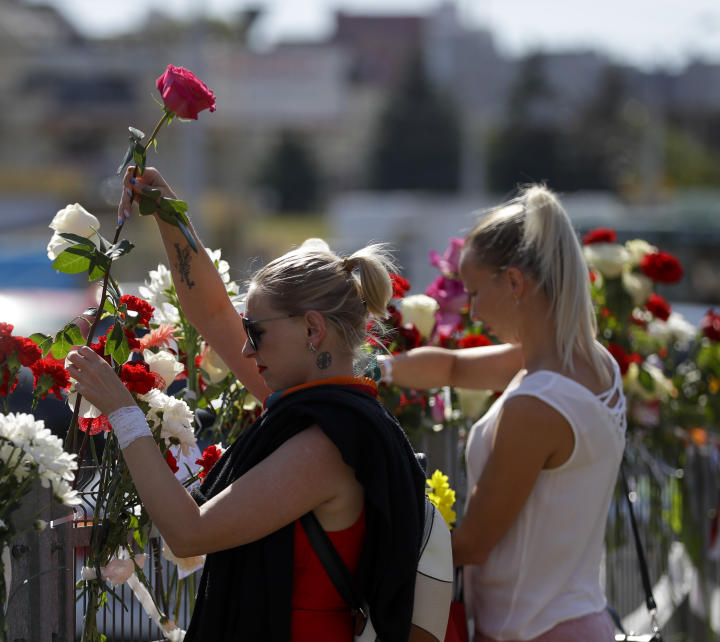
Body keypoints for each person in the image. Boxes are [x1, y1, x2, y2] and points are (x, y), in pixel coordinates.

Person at [66, 167, 428, 641]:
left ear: (312, 330)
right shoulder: (326, 407)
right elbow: (213, 313)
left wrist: (123, 410)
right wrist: (168, 214)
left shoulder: (328, 442)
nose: (244, 349)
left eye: (255, 332)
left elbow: (190, 532)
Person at [377, 185, 626, 641]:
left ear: (514, 282)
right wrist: (377, 369)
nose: (471, 310)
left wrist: (370, 558)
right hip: (573, 620)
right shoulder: (589, 363)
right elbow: (451, 367)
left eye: (474, 292)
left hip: (533, 631)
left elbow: (474, 542)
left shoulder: (539, 403)